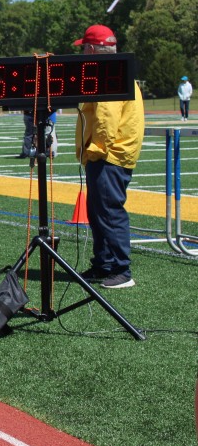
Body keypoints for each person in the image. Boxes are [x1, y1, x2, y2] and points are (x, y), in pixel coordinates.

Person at [73, 24, 144, 289]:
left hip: (109, 156)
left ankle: (122, 270)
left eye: (84, 48)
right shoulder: (118, 71)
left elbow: (106, 120)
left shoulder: (109, 74)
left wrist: (96, 150)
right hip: (112, 154)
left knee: (109, 212)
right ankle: (103, 264)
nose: (82, 53)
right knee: (98, 212)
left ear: (92, 49)